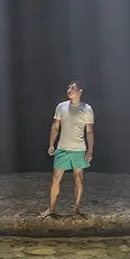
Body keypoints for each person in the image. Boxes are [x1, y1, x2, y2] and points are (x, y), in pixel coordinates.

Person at [40, 80, 94, 218]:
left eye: (72, 88)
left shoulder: (87, 109)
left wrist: (90, 150)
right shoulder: (61, 107)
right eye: (68, 87)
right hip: (62, 148)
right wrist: (51, 144)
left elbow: (89, 131)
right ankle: (51, 208)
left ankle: (76, 208)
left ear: (80, 91)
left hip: (79, 149)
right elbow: (55, 127)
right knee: (56, 179)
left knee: (79, 178)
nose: (69, 89)